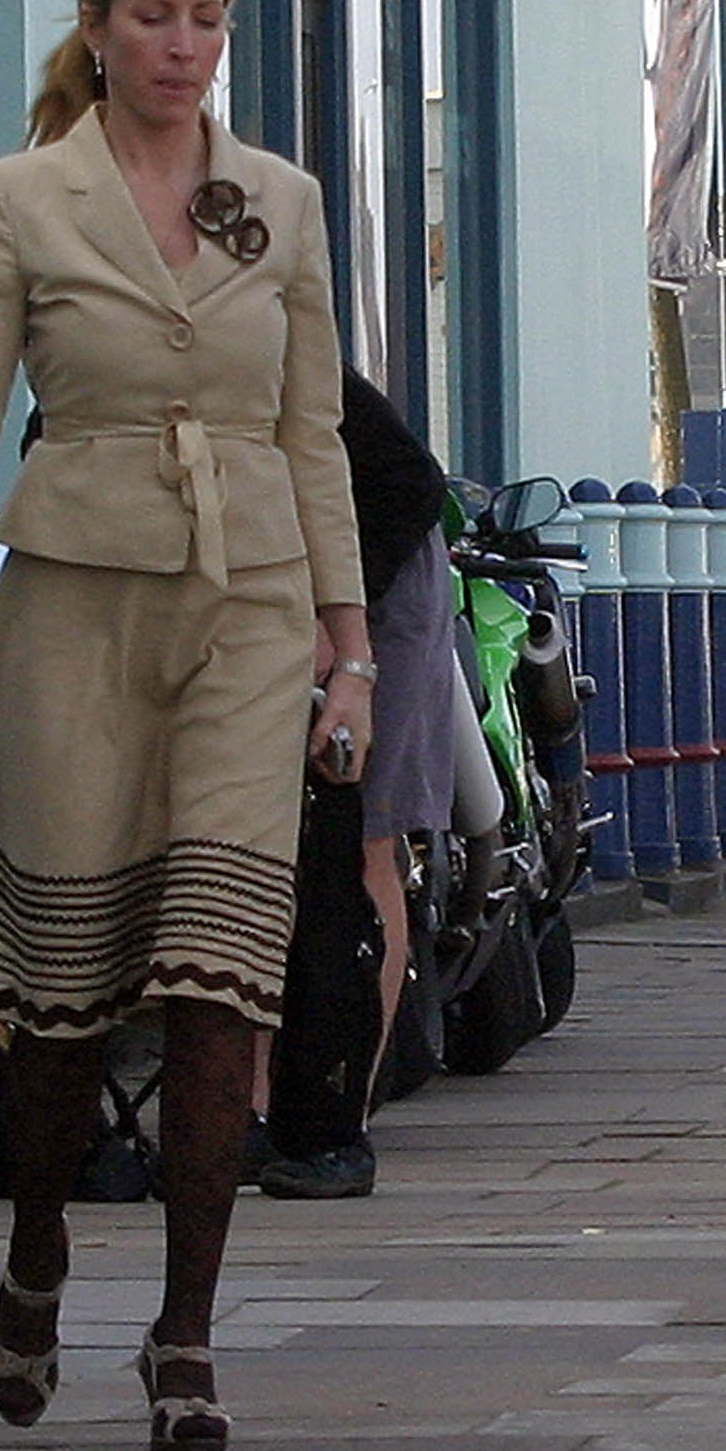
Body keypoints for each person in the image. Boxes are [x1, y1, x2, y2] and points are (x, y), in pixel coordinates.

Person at [0, 0, 373, 1451]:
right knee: (69, 998)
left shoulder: (275, 202)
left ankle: (186, 1339)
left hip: (246, 612)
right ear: (98, 27)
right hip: (75, 615)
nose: (181, 47)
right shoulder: (24, 197)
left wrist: (349, 650)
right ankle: (35, 1264)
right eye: (152, 17)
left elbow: (312, 434)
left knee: (222, 985)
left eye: (205, 20)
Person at [257, 366, 456, 1200]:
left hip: (380, 585)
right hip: (265, 587)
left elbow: (411, 485)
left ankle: (340, 1104)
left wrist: (334, 622)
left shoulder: (285, 359)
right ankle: (253, 1104)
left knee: (363, 830)